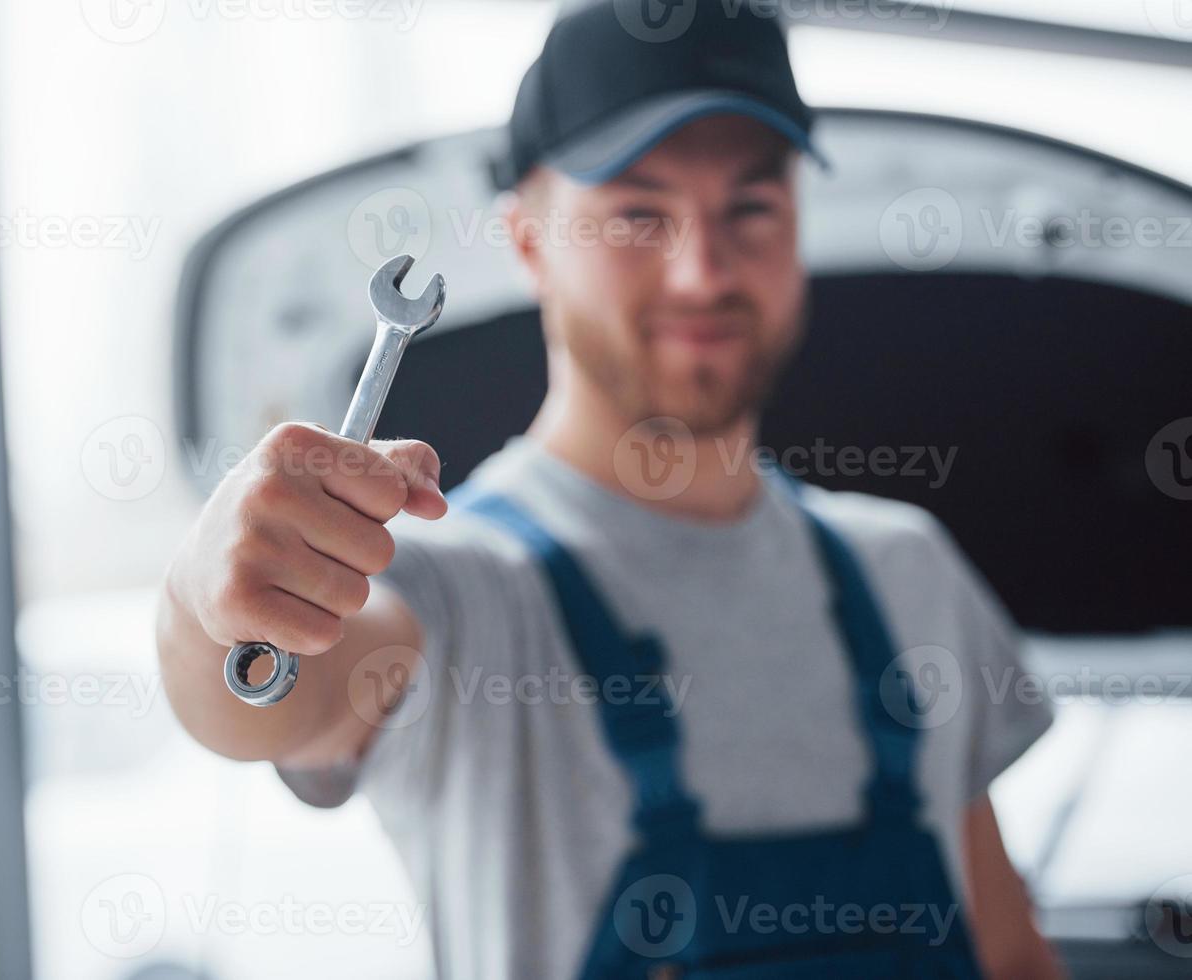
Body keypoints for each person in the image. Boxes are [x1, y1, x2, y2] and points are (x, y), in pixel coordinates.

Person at [157, 1, 1062, 976]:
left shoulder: (908, 571)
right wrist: (203, 606)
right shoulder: (454, 588)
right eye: (637, 212)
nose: (700, 269)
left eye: (749, 207)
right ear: (528, 239)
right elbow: (259, 705)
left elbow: (1007, 953)